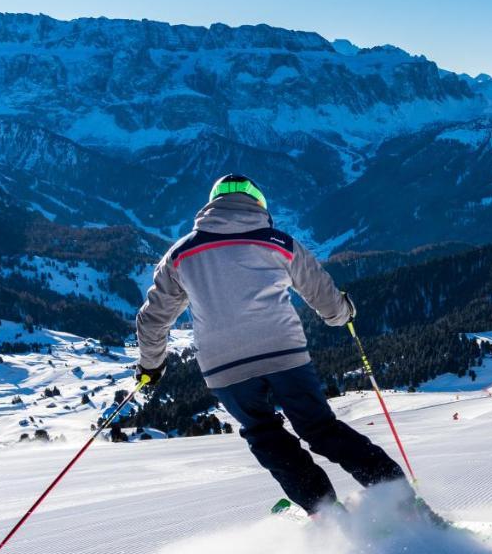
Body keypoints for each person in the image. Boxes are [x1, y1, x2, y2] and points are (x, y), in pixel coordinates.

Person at [135, 174, 414, 516]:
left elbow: (153, 319)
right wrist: (344, 314)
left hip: (224, 366)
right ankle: (399, 497)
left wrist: (151, 365)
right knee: (320, 428)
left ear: (210, 204)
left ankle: (326, 514)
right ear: (258, 204)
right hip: (284, 353)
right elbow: (322, 294)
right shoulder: (279, 242)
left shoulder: (180, 254)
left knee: (265, 435)